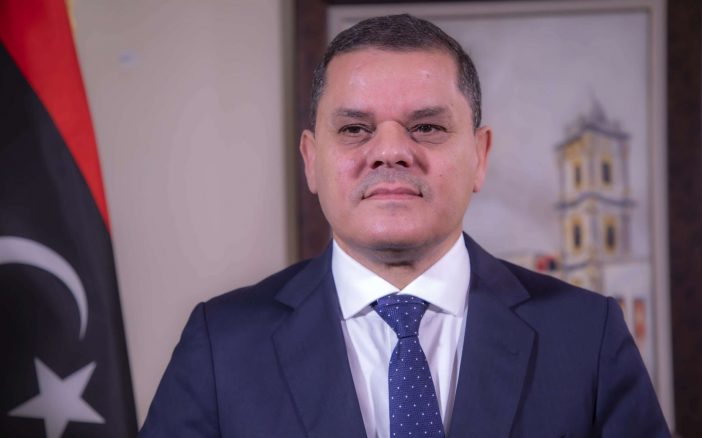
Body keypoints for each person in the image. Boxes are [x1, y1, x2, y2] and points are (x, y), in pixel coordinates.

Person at [139, 14, 670, 438]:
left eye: (428, 127)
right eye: (354, 129)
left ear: (480, 156)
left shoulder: (586, 335)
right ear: (311, 161)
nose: (391, 151)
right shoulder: (222, 344)